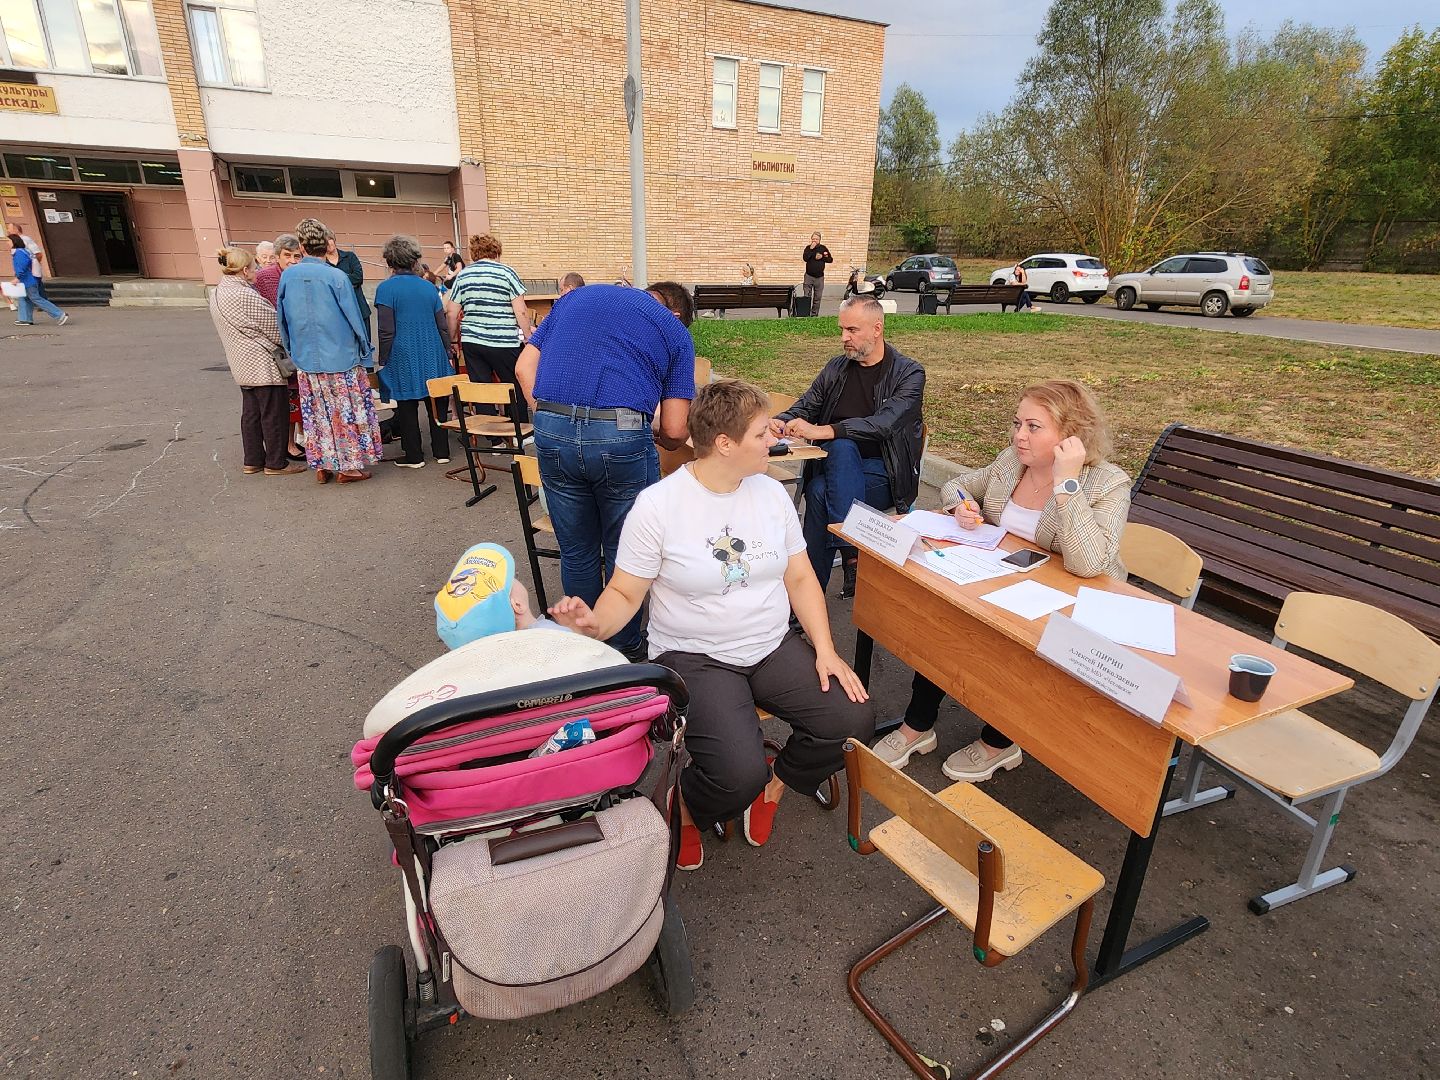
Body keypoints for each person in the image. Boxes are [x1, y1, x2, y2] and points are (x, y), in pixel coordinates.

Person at [549, 380, 873, 870]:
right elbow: (623, 593)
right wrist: (593, 625)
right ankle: (687, 804)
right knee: (736, 774)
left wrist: (825, 650)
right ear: (725, 443)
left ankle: (778, 783)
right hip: (693, 653)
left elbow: (802, 576)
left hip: (769, 643)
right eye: (763, 433)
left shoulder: (770, 494)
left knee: (852, 721)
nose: (775, 441)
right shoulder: (658, 506)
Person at [877, 379, 1131, 781]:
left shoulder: (1107, 483)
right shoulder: (1012, 462)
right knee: (942, 621)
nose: (1019, 436)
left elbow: (1089, 563)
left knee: (1008, 645)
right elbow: (958, 484)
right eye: (1017, 424)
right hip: (1003, 581)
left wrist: (1068, 483)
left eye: (1033, 427)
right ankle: (917, 725)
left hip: (1070, 601)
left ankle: (1001, 739)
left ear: (1071, 437)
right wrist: (962, 506)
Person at [514, 282, 695, 660]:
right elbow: (677, 430)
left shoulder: (575, 298)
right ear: (677, 313)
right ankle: (622, 649)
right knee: (624, 550)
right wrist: (651, 430)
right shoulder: (673, 331)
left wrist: (549, 416)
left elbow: (523, 366)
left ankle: (581, 647)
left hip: (551, 424)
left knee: (576, 551)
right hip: (622, 435)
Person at [773, 295, 924, 599]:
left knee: (826, 476)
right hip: (837, 473)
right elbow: (808, 403)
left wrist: (827, 430)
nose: (844, 338)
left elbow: (883, 424)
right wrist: (780, 421)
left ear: (877, 329)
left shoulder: (909, 373)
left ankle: (803, 603)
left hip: (885, 476)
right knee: (827, 475)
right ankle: (851, 553)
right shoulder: (837, 368)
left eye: (852, 330)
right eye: (842, 330)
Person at [276, 217, 381, 484]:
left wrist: (292, 350)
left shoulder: (288, 276)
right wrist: (365, 351)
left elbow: (283, 318)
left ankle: (323, 464)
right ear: (327, 244)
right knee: (343, 411)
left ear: (302, 246)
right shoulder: (336, 276)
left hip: (307, 358)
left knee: (316, 413)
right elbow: (354, 318)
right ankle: (348, 467)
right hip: (341, 357)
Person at [207, 247, 305, 476]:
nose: (256, 271)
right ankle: (276, 462)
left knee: (251, 413)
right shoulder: (245, 295)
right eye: (253, 268)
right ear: (244, 270)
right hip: (262, 363)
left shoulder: (218, 292)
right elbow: (275, 328)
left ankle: (252, 459)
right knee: (274, 414)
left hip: (240, 362)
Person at [374, 235, 455, 469]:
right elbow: (441, 324)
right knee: (437, 403)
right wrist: (448, 349)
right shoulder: (429, 287)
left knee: (407, 406)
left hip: (403, 354)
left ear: (390, 260)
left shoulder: (386, 289)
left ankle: (414, 455)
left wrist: (383, 358)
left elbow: (386, 330)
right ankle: (442, 451)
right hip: (433, 351)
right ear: (414, 259)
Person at [445, 233, 532, 422]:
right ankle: (520, 431)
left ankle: (493, 438)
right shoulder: (507, 272)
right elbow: (521, 311)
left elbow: (452, 313)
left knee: (481, 388)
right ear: (496, 251)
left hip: (472, 341)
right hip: (504, 340)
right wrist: (527, 336)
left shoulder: (463, 275)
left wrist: (451, 340)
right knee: (514, 385)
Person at [8, 234, 67, 326]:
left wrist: (17, 278)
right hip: (27, 280)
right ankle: (25, 319)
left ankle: (59, 314)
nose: (7, 243)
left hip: (26, 281)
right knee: (24, 298)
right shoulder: (22, 251)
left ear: (13, 242)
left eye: (9, 241)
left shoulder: (19, 253)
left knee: (36, 298)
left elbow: (21, 267)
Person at [325, 233, 372, 342]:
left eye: (329, 239)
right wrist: (347, 278)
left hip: (360, 308)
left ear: (334, 240)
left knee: (365, 342)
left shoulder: (350, 256)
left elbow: (358, 278)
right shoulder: (323, 264)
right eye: (324, 241)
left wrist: (336, 282)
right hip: (338, 313)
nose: (328, 243)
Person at [253, 233, 301, 307]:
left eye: (297, 256)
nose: (293, 261)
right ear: (277, 257)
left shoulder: (304, 275)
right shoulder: (262, 277)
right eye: (287, 256)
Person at [5, 222, 44, 311]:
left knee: (33, 293)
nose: (7, 230)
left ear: (16, 230)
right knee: (27, 295)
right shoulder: (17, 244)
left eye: (9, 228)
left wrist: (33, 266)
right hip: (25, 271)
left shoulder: (25, 240)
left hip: (29, 271)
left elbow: (38, 254)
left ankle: (56, 313)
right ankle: (25, 317)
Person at [801, 231, 832, 315]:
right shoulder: (808, 248)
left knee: (817, 297)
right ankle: (805, 313)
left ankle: (814, 314)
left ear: (820, 240)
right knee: (807, 296)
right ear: (811, 239)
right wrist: (811, 249)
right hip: (809, 276)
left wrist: (822, 257)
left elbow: (830, 259)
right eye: (813, 239)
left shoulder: (823, 248)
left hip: (819, 277)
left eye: (816, 239)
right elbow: (805, 258)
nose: (814, 241)